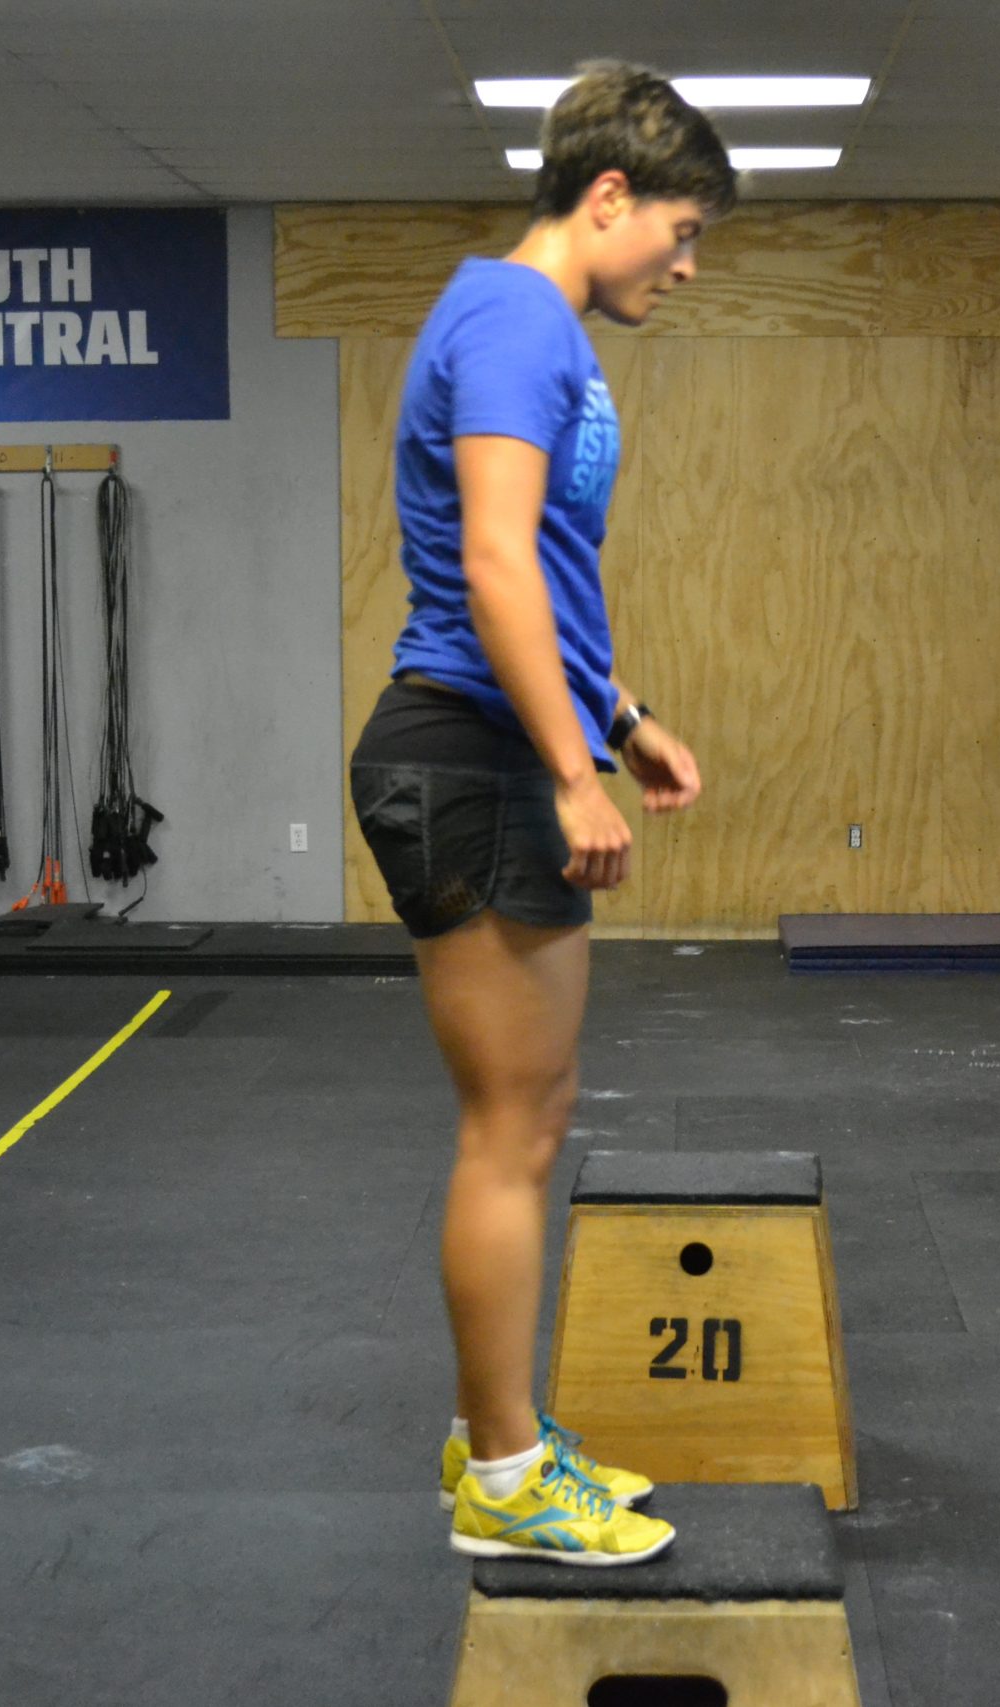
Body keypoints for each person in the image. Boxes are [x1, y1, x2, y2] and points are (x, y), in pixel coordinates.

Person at [348, 62, 735, 1566]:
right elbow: (496, 562)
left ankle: (496, 1437)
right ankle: (505, 1479)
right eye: (682, 234)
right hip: (474, 753)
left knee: (534, 1114)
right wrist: (573, 770)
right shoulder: (515, 320)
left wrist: (620, 720)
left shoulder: (523, 322)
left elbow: (539, 576)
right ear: (609, 195)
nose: (685, 269)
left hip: (496, 739)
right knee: (511, 1128)